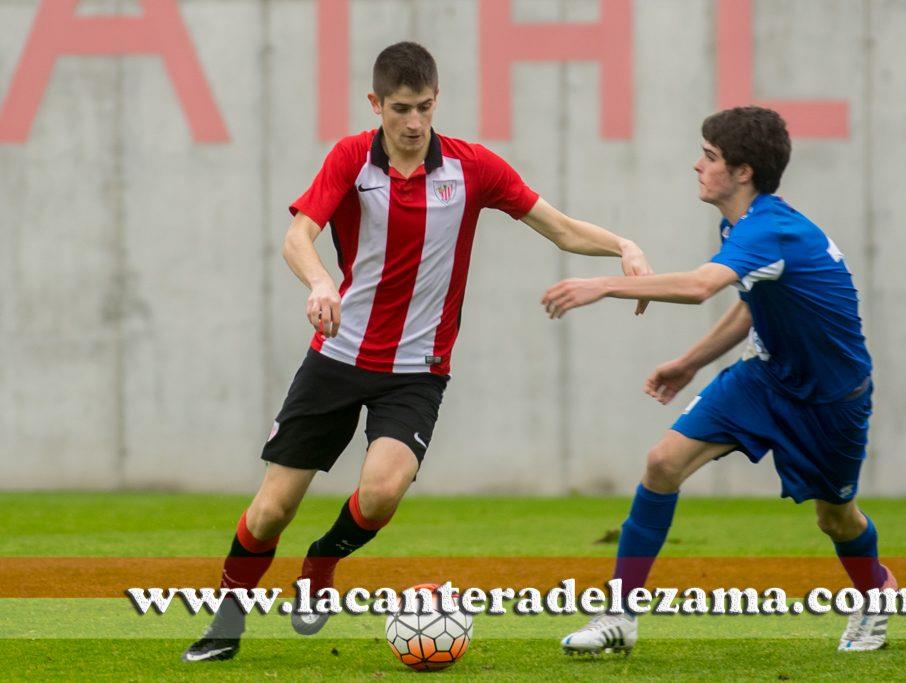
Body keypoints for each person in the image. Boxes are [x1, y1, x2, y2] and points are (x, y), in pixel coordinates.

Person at [181, 41, 651, 662]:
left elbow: (558, 228)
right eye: (400, 108)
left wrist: (624, 246)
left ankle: (321, 563)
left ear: (436, 102)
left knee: (381, 492)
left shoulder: (473, 168)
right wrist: (322, 282)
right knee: (271, 510)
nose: (413, 123)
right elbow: (298, 236)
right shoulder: (351, 159)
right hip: (337, 357)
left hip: (416, 372)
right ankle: (226, 621)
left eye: (424, 108)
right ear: (375, 103)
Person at [548, 106, 895, 655]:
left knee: (836, 518)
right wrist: (690, 362)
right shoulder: (741, 224)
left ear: (743, 171)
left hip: (833, 400)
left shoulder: (770, 229)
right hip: (766, 378)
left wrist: (605, 285)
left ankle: (877, 597)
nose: (697, 165)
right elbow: (753, 305)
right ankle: (619, 615)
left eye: (709, 157)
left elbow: (700, 287)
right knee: (663, 462)